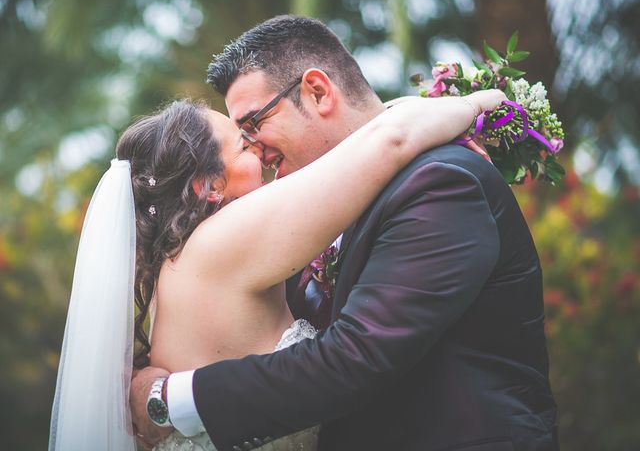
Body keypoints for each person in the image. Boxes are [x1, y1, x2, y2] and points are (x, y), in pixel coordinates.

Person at [130, 16, 558, 451]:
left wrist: (167, 398)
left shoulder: (440, 182)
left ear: (317, 91)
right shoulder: (285, 228)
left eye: (253, 125)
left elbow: (357, 357)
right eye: (242, 140)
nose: (256, 150)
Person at [48, 84, 504, 449]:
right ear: (209, 185)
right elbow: (392, 138)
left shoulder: (176, 262)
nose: (262, 156)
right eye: (245, 147)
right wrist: (479, 102)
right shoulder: (224, 240)